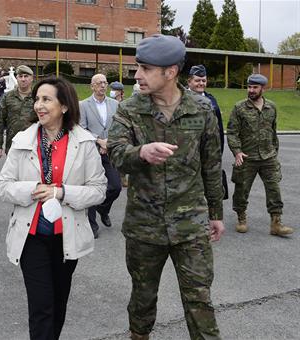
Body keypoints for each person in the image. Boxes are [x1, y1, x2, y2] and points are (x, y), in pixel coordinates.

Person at [107, 34, 224, 340]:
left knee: (199, 298)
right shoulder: (129, 110)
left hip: (191, 224)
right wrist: (140, 153)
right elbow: (116, 153)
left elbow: (211, 165)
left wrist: (216, 213)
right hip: (144, 226)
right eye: (138, 67)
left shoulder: (202, 110)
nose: (137, 75)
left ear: (170, 72)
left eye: (145, 68)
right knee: (143, 297)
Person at [0, 77, 107, 340]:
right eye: (37, 99)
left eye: (46, 99)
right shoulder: (22, 140)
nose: (38, 105)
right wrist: (33, 188)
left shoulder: (84, 142)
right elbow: (4, 185)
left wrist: (61, 192)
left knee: (58, 305)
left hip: (67, 238)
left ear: (65, 106)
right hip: (31, 237)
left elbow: (98, 189)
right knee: (41, 307)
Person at [227, 74, 294, 236]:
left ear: (263, 88)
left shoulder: (271, 107)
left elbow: (273, 131)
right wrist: (237, 151)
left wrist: (274, 151)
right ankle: (241, 217)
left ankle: (276, 223)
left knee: (274, 189)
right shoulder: (239, 107)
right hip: (247, 157)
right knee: (242, 189)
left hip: (268, 157)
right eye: (249, 87)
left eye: (255, 87)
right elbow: (232, 132)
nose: (251, 90)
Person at [79, 73, 122, 238]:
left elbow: (118, 127)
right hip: (92, 152)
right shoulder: (84, 105)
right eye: (99, 83)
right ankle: (92, 225)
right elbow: (82, 128)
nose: (103, 86)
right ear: (92, 86)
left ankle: (103, 208)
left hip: (109, 151)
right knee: (92, 188)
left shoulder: (115, 104)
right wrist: (99, 141)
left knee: (115, 187)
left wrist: (108, 143)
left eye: (105, 83)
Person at [187, 64, 228, 199]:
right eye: (197, 80)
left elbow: (219, 129)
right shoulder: (180, 99)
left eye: (203, 80)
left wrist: (219, 152)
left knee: (210, 191)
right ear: (189, 81)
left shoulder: (211, 100)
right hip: (187, 155)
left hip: (209, 154)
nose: (201, 83)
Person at [0, 64, 35, 158]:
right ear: (17, 78)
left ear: (32, 78)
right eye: (20, 76)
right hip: (12, 145)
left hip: (34, 145)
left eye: (26, 76)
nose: (23, 79)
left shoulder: (37, 97)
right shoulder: (7, 97)